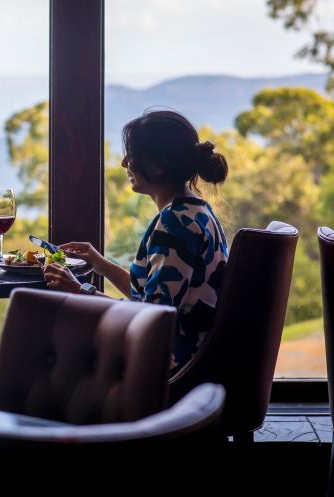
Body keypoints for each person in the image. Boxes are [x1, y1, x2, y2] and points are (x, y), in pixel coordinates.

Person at [43, 110, 229, 375]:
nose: (123, 163)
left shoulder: (175, 224)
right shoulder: (196, 212)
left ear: (157, 165)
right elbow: (154, 296)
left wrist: (80, 291)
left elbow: (149, 317)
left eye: (131, 156)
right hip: (191, 357)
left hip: (171, 365)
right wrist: (99, 263)